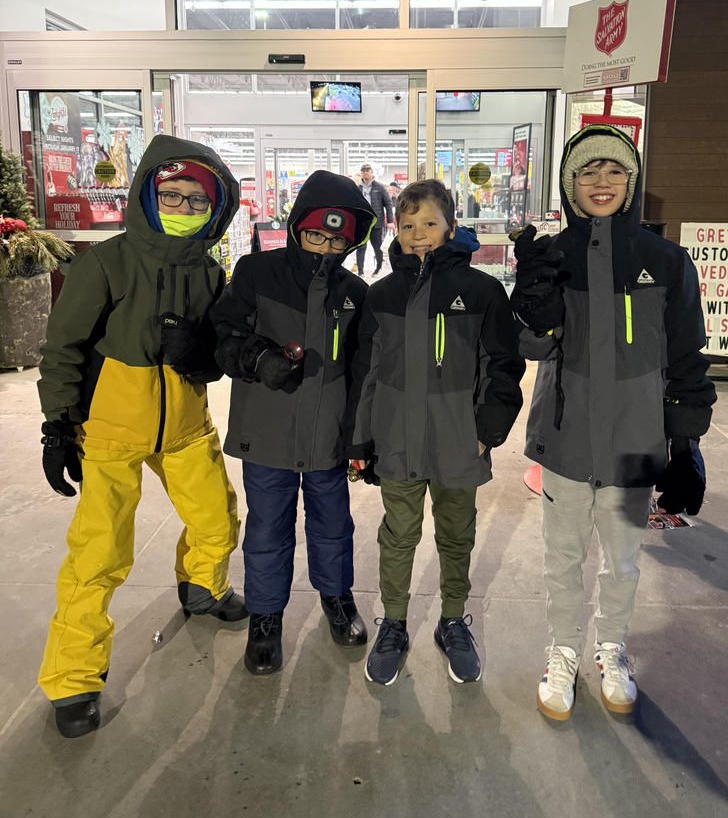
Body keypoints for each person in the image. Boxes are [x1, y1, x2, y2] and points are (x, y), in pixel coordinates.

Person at [37, 135, 247, 740]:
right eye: (171, 194)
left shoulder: (210, 272)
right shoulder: (106, 263)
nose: (183, 207)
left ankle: (202, 586)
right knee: (99, 553)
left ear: (216, 208)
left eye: (197, 200)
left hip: (184, 425)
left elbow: (218, 352)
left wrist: (200, 354)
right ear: (148, 196)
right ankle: (74, 677)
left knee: (216, 517)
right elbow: (63, 347)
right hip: (109, 429)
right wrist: (58, 425)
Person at [511, 123, 716, 722]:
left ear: (632, 181)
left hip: (634, 442)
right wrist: (533, 308)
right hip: (566, 438)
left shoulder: (666, 261)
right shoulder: (552, 256)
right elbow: (531, 348)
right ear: (568, 183)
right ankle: (562, 649)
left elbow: (686, 356)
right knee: (562, 558)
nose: (601, 182)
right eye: (587, 171)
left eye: (614, 170)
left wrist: (686, 443)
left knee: (622, 560)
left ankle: (610, 646)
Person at [346, 179, 526, 685]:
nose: (418, 234)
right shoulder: (382, 294)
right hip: (397, 441)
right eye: (408, 225)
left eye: (429, 223)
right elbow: (366, 373)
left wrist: (486, 431)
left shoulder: (481, 291)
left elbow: (502, 364)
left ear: (450, 227)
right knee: (398, 535)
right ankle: (394, 624)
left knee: (456, 533)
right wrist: (360, 440)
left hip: (458, 441)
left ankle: (452, 621)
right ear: (395, 231)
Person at [211, 170, 377, 676]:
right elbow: (221, 334)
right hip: (268, 434)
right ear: (297, 227)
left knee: (333, 525)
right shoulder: (256, 272)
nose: (326, 248)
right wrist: (256, 357)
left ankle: (336, 596)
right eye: (316, 236)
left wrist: (361, 436)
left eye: (338, 241)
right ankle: (266, 617)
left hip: (327, 438)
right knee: (268, 529)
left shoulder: (354, 292)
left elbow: (363, 371)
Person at [355, 164, 394, 277]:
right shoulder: (358, 188)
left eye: (367, 170)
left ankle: (378, 268)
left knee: (377, 247)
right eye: (363, 171)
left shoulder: (379, 187)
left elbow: (388, 203)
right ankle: (360, 271)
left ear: (371, 172)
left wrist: (390, 221)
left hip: (376, 223)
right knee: (361, 247)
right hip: (362, 223)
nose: (365, 172)